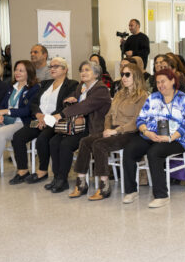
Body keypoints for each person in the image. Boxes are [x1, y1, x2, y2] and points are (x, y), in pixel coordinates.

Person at [68, 62, 149, 199]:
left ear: (136, 76)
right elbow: (108, 115)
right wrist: (107, 128)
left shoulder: (143, 96)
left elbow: (137, 121)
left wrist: (116, 131)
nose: (123, 77)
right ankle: (81, 182)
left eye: (127, 74)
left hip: (130, 133)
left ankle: (104, 185)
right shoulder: (119, 94)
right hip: (112, 130)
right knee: (85, 141)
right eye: (122, 74)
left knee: (99, 145)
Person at [121, 68, 185, 208]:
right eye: (158, 82)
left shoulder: (183, 99)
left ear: (173, 81)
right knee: (130, 149)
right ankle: (131, 191)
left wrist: (169, 138)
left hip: (177, 139)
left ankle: (162, 195)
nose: (161, 85)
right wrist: (146, 132)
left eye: (163, 81)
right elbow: (141, 119)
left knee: (154, 152)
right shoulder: (153, 97)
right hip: (151, 135)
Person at [9, 57, 78, 185]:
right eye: (50, 66)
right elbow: (34, 103)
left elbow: (64, 106)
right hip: (39, 119)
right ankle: (23, 170)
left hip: (55, 121)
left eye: (56, 66)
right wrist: (39, 115)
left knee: (42, 138)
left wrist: (46, 119)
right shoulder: (45, 83)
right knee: (18, 137)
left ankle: (42, 171)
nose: (52, 69)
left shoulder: (72, 84)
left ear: (65, 69)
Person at [46, 60, 111, 194]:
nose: (83, 73)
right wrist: (70, 99)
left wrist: (60, 115)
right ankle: (57, 177)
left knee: (65, 144)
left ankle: (62, 180)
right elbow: (73, 99)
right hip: (76, 126)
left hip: (92, 128)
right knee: (53, 141)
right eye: (81, 70)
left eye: (87, 70)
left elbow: (85, 106)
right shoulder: (81, 87)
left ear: (96, 73)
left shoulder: (100, 89)